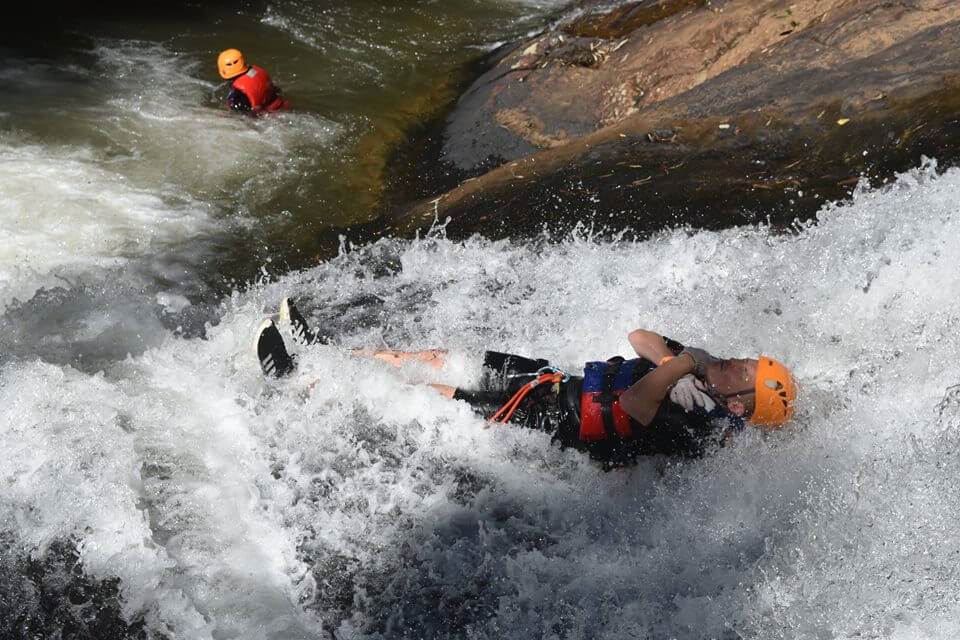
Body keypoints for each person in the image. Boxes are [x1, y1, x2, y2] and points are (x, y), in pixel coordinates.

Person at [255, 298, 797, 468]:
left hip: (554, 420)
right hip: (553, 378)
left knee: (434, 395)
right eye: (747, 361)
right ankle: (322, 349)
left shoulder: (698, 428)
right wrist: (686, 360)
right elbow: (638, 337)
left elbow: (633, 404)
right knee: (440, 358)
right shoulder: (705, 367)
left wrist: (677, 368)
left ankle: (299, 381)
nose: (738, 362)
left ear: (739, 405)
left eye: (746, 372)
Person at [217, 48, 289, 115]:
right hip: (283, 107)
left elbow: (242, 114)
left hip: (267, 118)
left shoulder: (238, 95)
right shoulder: (258, 71)